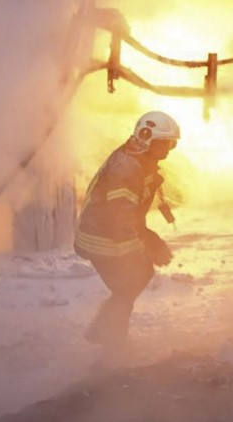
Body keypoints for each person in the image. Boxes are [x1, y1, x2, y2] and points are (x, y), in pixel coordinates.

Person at [75, 111, 179, 346]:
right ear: (148, 138)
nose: (169, 150)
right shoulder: (126, 168)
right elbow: (120, 215)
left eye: (172, 144)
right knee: (130, 283)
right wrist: (148, 240)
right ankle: (111, 341)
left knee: (134, 279)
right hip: (101, 238)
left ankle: (105, 332)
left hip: (109, 234)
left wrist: (145, 240)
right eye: (166, 143)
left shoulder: (138, 159)